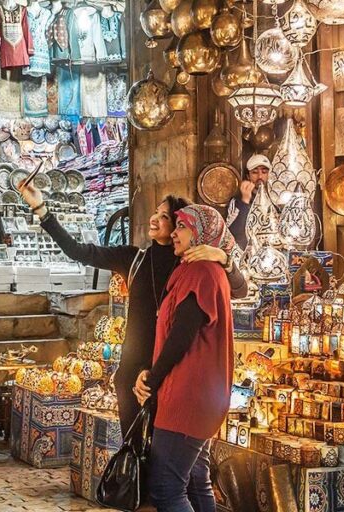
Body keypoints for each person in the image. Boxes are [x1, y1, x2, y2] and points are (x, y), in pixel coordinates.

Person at [19, 183, 247, 434]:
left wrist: (224, 259)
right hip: (131, 373)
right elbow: (78, 251)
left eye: (165, 217)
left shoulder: (192, 263)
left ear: (180, 227)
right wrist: (41, 209)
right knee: (134, 451)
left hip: (169, 373)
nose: (155, 219)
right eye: (156, 213)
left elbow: (239, 290)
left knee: (163, 453)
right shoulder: (134, 259)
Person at [134, 204, 236, 512]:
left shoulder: (202, 273)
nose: (174, 233)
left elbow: (181, 337)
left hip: (187, 395)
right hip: (199, 394)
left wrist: (152, 378)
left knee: (166, 487)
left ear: (201, 234)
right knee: (194, 478)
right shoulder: (193, 270)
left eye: (181, 227)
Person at [226, 153, 271, 249]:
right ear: (248, 176)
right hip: (248, 253)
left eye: (264, 172)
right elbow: (231, 233)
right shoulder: (237, 201)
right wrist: (245, 201)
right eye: (254, 172)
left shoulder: (276, 199)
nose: (260, 176)